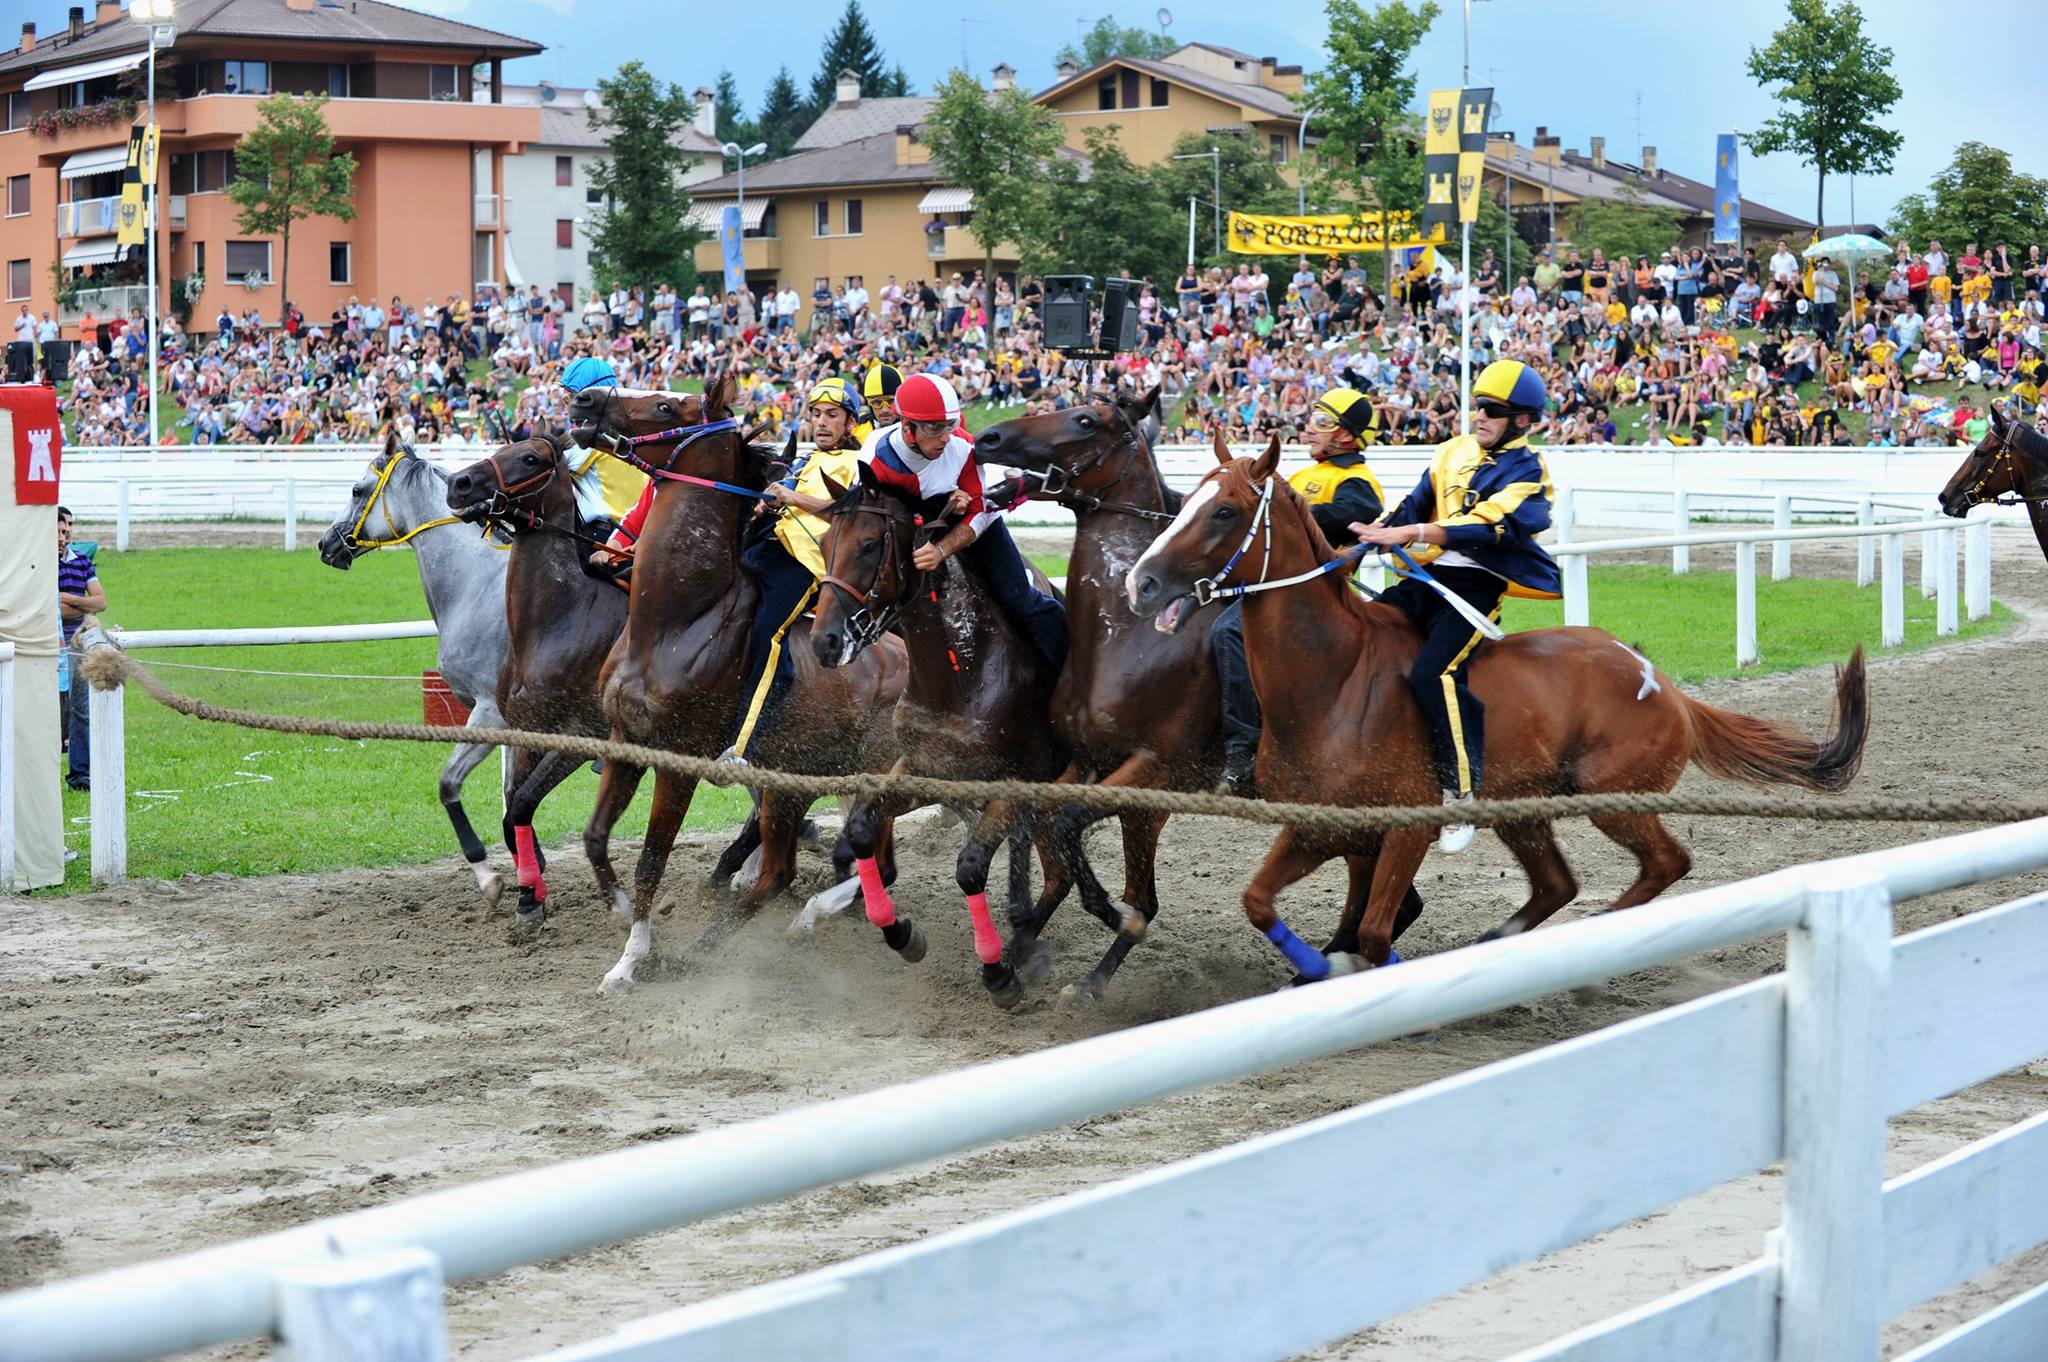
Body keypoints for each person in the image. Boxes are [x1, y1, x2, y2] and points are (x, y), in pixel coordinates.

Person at [1350, 359, 1560, 854]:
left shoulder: (1531, 471)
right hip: (1430, 576)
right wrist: (1357, 550)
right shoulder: (1452, 452)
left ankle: (1461, 791)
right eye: (1477, 406)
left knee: (1434, 673)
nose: (1479, 416)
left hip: (1478, 588)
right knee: (1367, 633)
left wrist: (1415, 533)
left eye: (1493, 410)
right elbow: (1412, 505)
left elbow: (1490, 526)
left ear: (1523, 421)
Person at [1212, 386, 1386, 797]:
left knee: (1229, 632)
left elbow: (1347, 516)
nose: (1310, 429)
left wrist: (1285, 511)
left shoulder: (1358, 482)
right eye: (1312, 419)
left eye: (1322, 422)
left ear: (1347, 436)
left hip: (1313, 600)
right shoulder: (1304, 476)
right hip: (1270, 588)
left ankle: (1244, 751)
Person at [858, 373, 1067, 670]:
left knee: (1019, 600)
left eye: (950, 426)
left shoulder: (962, 447)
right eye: (935, 428)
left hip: (975, 527)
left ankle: (1070, 672)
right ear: (906, 427)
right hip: (912, 528)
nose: (946, 437)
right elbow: (866, 519)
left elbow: (981, 511)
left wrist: (941, 550)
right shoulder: (872, 454)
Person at [723, 377, 871, 763]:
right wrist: (765, 506)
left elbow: (844, 510)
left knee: (766, 633)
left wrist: (790, 497)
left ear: (850, 423)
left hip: (805, 564)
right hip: (767, 546)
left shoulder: (857, 461)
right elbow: (783, 496)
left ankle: (746, 743)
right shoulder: (807, 459)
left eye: (832, 416)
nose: (822, 423)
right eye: (817, 414)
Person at [56, 507, 106, 792]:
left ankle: (80, 775)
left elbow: (101, 602)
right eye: (62, 529)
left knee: (80, 708)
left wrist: (64, 597)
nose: (67, 534)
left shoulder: (82, 560)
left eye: (69, 527)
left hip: (76, 638)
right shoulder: (40, 562)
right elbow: (52, 609)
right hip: (53, 637)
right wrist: (80, 604)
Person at [860, 361, 902, 431]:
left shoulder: (916, 430)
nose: (884, 410)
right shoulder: (857, 430)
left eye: (891, 401)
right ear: (869, 403)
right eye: (877, 402)